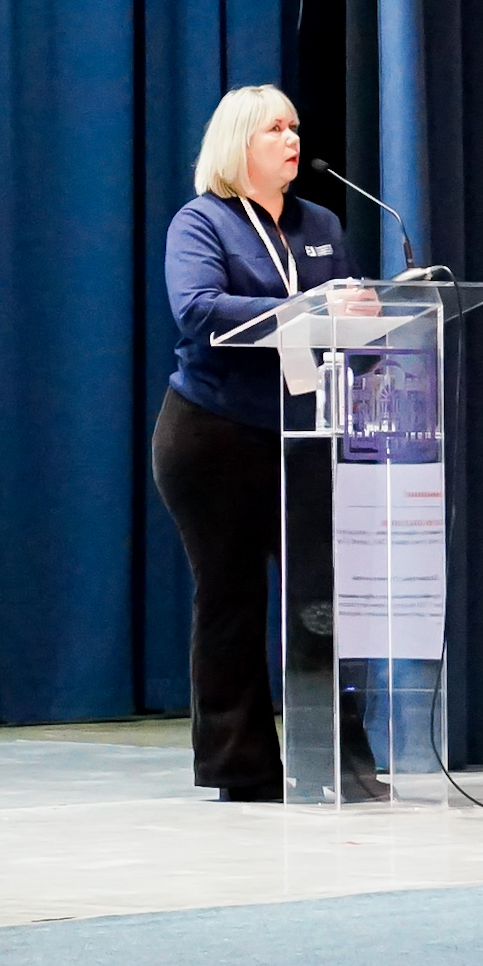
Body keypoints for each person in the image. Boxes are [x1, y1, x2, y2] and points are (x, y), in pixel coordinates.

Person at [153, 86, 377, 802]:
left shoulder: (321, 223)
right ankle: (241, 769)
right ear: (238, 143)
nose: (292, 139)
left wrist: (366, 318)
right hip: (212, 433)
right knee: (232, 596)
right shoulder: (203, 221)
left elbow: (338, 325)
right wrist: (309, 306)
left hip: (302, 432)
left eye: (295, 126)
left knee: (321, 599)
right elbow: (197, 310)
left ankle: (340, 764)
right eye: (275, 129)